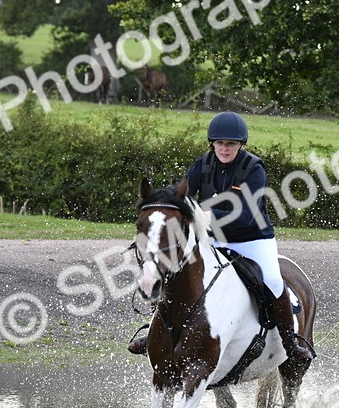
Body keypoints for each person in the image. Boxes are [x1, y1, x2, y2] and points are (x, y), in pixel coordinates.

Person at [129, 111, 314, 364]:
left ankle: (291, 342)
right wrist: (161, 206)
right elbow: (179, 194)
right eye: (220, 143)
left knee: (272, 279)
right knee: (173, 269)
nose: (225, 149)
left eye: (231, 144)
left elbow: (247, 215)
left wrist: (209, 215)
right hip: (214, 239)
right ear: (212, 144)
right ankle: (153, 329)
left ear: (241, 145)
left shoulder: (253, 169)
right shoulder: (202, 165)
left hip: (252, 239)